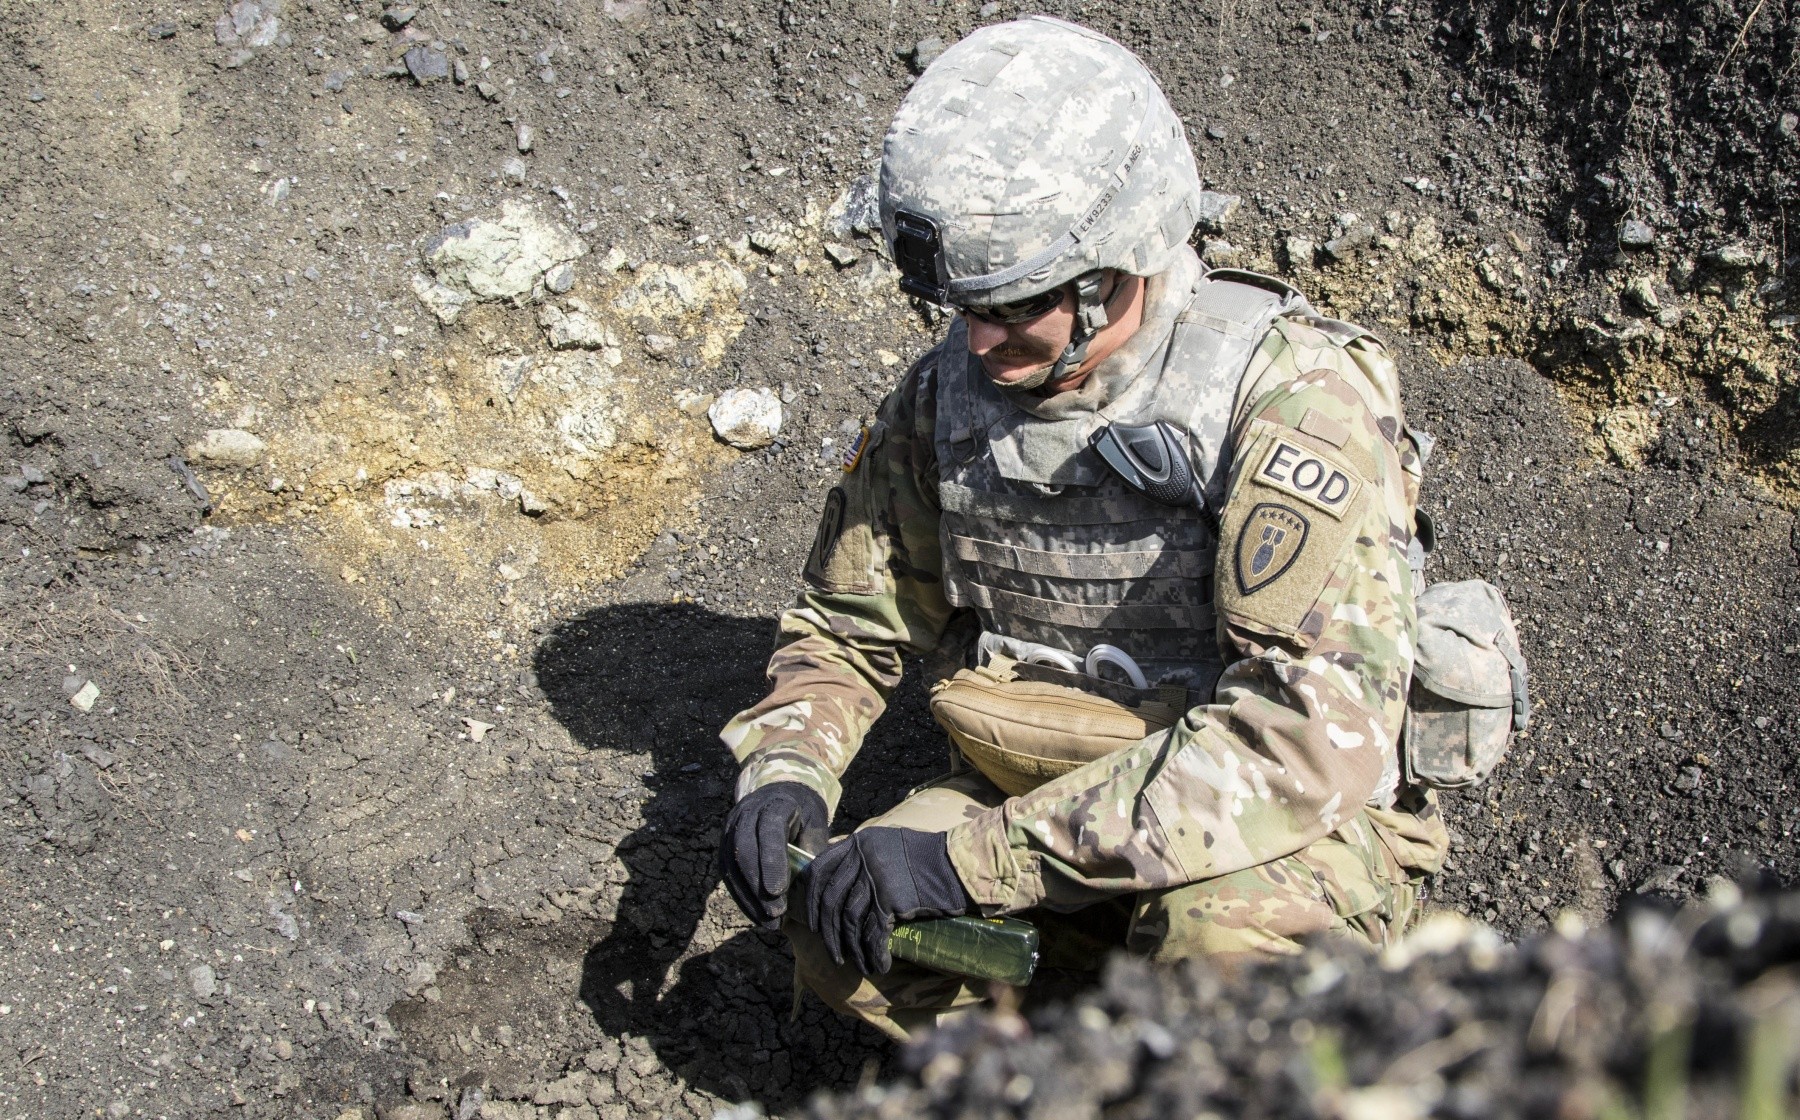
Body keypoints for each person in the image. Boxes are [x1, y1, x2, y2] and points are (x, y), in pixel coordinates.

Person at [715, 15, 1449, 1041]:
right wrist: (786, 767)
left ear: (1118, 262)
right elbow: (850, 622)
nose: (980, 340)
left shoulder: (1289, 400)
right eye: (961, 306)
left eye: (1014, 305)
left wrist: (975, 860)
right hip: (1045, 788)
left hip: (1259, 823)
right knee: (840, 927)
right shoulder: (949, 395)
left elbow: (1302, 742)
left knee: (1228, 978)